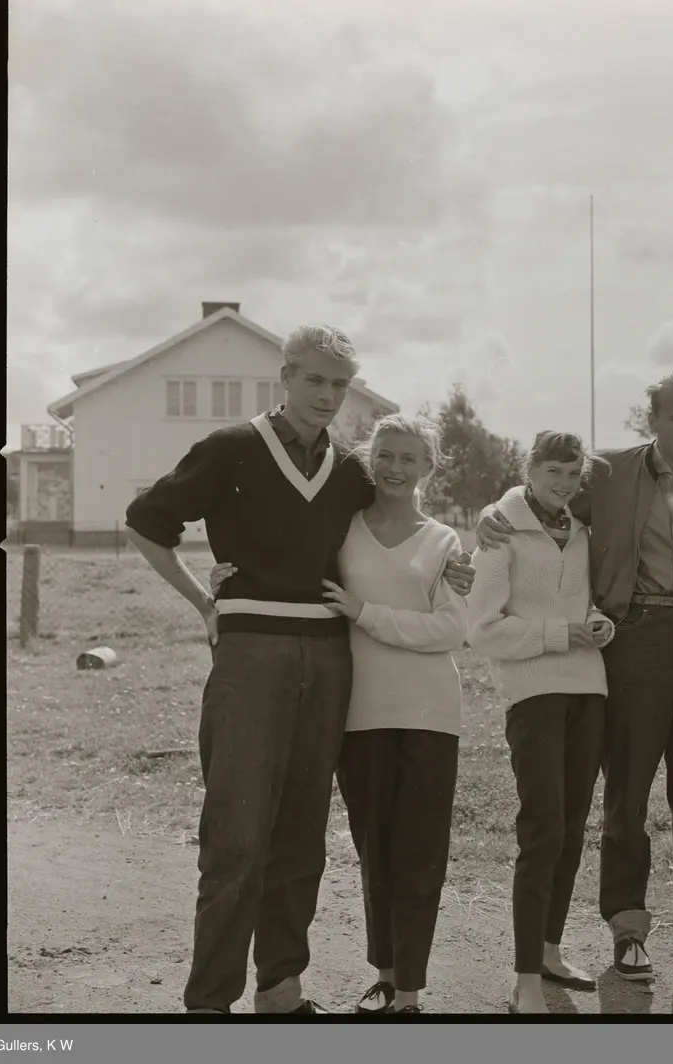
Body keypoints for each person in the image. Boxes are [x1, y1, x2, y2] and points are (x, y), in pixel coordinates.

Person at [124, 324, 474, 1017]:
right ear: (285, 376)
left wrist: (463, 555)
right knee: (237, 834)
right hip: (252, 655)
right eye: (314, 379)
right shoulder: (231, 448)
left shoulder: (350, 470)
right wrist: (203, 601)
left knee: (302, 834)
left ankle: (281, 990)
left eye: (340, 384)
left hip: (330, 657)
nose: (326, 395)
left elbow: (402, 514)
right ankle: (210, 1002)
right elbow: (145, 522)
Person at [476, 371, 673, 982]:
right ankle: (628, 927)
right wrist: (488, 516)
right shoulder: (607, 473)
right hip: (634, 635)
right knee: (628, 790)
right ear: (652, 419)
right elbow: (543, 495)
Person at [210, 413, 466, 1016]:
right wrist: (223, 579)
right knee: (374, 852)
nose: (395, 468)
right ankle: (386, 977)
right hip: (358, 711)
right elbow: (285, 566)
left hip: (430, 711)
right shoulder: (342, 530)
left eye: (409, 458)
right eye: (386, 456)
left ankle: (411, 994)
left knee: (420, 853)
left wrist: (364, 613)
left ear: (429, 467)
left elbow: (452, 630)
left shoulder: (446, 543)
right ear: (370, 460)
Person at [468, 431, 614, 1015]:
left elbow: (586, 604)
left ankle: (551, 952)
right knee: (543, 830)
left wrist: (599, 624)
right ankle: (525, 979)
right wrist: (561, 634)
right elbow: (483, 629)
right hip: (533, 694)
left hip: (589, 691)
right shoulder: (500, 530)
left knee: (573, 827)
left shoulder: (581, 532)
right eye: (554, 471)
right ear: (529, 468)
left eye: (574, 474)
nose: (564, 484)